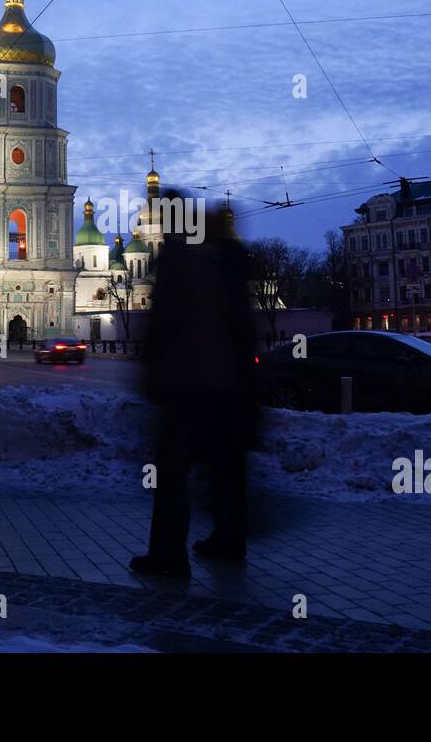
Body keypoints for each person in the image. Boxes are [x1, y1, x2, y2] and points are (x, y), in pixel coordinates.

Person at [129, 197, 257, 580]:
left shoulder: (179, 259)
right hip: (229, 384)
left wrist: (152, 373)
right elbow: (244, 324)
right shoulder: (228, 257)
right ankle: (229, 541)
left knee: (171, 472)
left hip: (186, 383)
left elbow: (165, 322)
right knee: (226, 465)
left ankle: (168, 556)